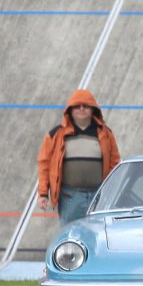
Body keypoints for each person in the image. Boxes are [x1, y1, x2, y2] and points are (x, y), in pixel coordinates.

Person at [37, 89, 121, 225]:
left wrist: (112, 191)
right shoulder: (56, 135)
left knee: (98, 233)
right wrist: (43, 194)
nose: (81, 109)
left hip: (98, 196)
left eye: (86, 105)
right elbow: (44, 164)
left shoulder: (106, 134)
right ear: (70, 110)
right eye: (77, 106)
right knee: (71, 233)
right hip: (69, 198)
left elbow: (114, 163)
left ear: (93, 109)